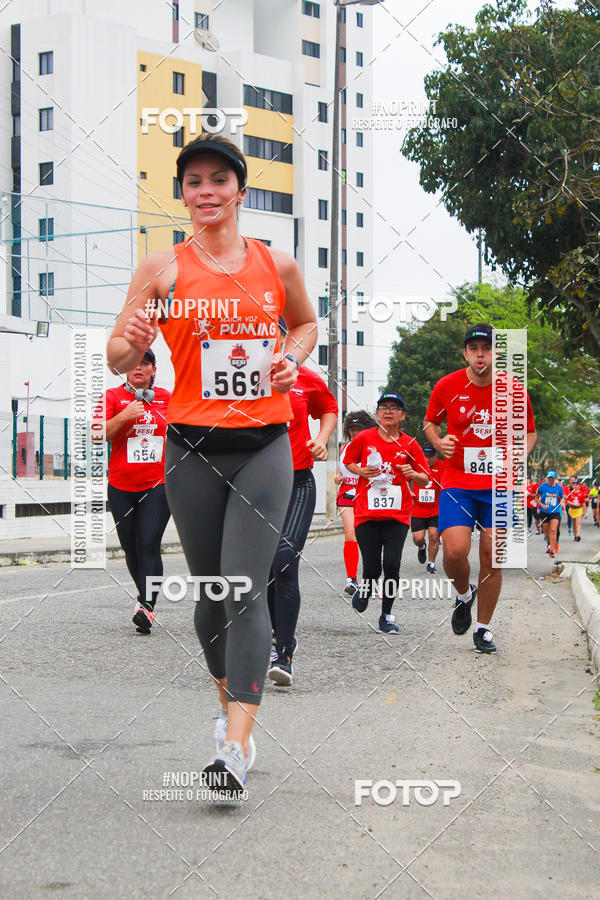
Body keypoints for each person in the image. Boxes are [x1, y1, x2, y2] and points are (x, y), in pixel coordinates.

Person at [107, 133, 317, 798]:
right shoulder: (161, 269)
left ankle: (234, 746)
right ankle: (230, 709)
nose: (206, 192)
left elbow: (306, 325)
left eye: (218, 180)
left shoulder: (276, 264)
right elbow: (116, 354)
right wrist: (131, 342)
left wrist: (292, 359)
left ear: (239, 191)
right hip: (191, 447)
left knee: (246, 587)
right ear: (182, 194)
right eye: (194, 181)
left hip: (264, 444)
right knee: (213, 595)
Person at [424, 323, 537, 654]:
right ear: (465, 354)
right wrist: (438, 442)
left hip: (500, 483)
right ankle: (464, 595)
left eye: (486, 348)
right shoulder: (447, 385)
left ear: (496, 353)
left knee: (492, 554)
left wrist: (519, 453)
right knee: (454, 550)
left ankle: (483, 628)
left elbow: (530, 432)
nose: (480, 354)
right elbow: (430, 422)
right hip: (457, 479)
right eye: (474, 349)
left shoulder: (513, 389)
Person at [267, 325, 338, 687]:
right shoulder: (238, 377)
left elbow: (328, 407)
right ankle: (270, 638)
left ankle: (285, 651)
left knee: (283, 561)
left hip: (296, 482)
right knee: (263, 569)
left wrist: (322, 438)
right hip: (255, 487)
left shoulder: (304, 377)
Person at [92, 348, 171, 633]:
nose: (138, 368)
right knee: (131, 548)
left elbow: (184, 432)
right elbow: (97, 434)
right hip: (121, 486)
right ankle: (144, 599)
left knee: (148, 542)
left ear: (153, 369)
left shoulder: (167, 398)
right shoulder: (112, 397)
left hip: (157, 485)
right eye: (133, 364)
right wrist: (124, 416)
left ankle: (147, 607)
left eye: (145, 363)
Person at [344, 392, 430, 634]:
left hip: (397, 515)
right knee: (372, 568)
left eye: (394, 407)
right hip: (367, 514)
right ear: (377, 414)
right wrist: (361, 471)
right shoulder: (364, 437)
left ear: (403, 415)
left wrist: (413, 474)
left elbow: (425, 478)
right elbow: (349, 461)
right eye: (384, 407)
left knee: (392, 564)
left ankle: (386, 615)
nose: (389, 411)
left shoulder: (410, 444)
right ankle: (365, 589)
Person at [335, 410, 374, 595]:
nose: (355, 432)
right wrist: (337, 477)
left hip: (367, 496)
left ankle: (371, 578)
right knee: (351, 535)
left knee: (369, 538)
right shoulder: (344, 448)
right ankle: (351, 579)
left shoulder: (372, 449)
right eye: (352, 429)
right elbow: (340, 471)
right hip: (346, 495)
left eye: (359, 429)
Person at [410, 445, 443, 574]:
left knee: (433, 536)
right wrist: (409, 492)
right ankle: (422, 547)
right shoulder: (416, 465)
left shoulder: (442, 466)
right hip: (418, 509)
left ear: (436, 455)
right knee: (418, 538)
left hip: (436, 509)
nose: (427, 459)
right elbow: (406, 479)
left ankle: (431, 563)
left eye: (430, 456)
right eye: (425, 457)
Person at [536, 470, 564, 556]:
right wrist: (542, 505)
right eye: (549, 478)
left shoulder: (559, 487)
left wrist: (561, 502)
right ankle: (549, 543)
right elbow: (536, 498)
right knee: (546, 530)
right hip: (544, 511)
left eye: (552, 478)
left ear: (555, 478)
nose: (550, 480)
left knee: (553, 529)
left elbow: (562, 497)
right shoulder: (542, 487)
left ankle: (552, 549)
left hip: (555, 511)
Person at [564, 478, 587, 542]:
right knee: (574, 523)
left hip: (579, 509)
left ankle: (578, 535)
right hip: (572, 509)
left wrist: (585, 512)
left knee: (578, 522)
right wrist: (573, 504)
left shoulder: (581, 494)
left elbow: (583, 503)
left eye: (577, 485)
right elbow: (568, 502)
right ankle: (575, 534)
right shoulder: (570, 493)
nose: (575, 486)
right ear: (572, 486)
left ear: (579, 486)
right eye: (574, 485)